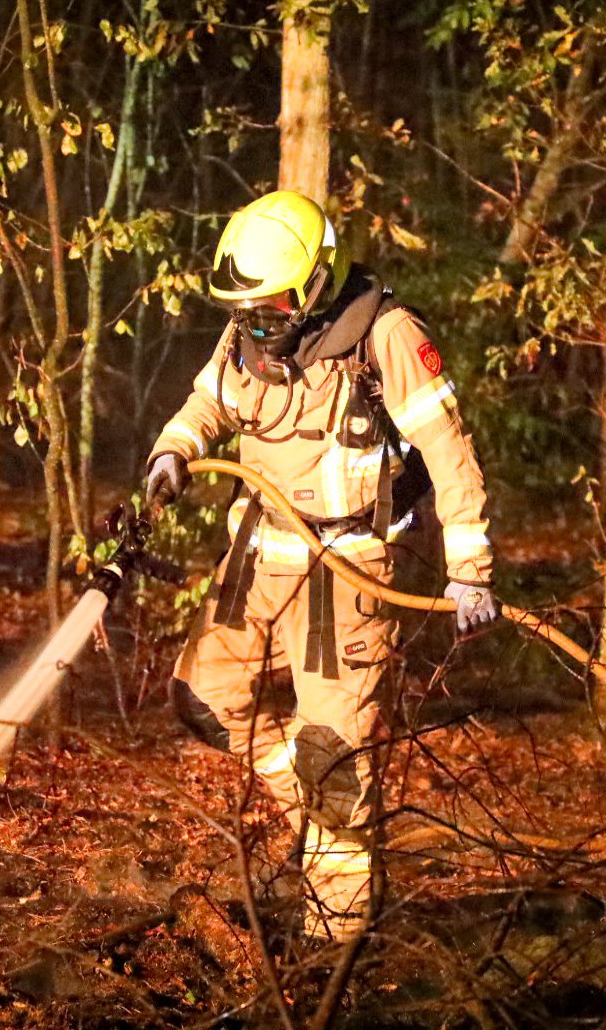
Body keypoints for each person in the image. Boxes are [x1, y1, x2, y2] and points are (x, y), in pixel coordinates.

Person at [144, 190, 498, 940]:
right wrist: (173, 451)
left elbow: (448, 447)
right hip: (259, 553)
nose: (257, 325)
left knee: (333, 758)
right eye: (247, 312)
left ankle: (332, 946)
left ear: (312, 284)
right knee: (202, 695)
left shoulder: (389, 336)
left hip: (349, 570)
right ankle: (312, 819)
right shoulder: (248, 330)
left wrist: (471, 563)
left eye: (271, 309)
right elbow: (207, 402)